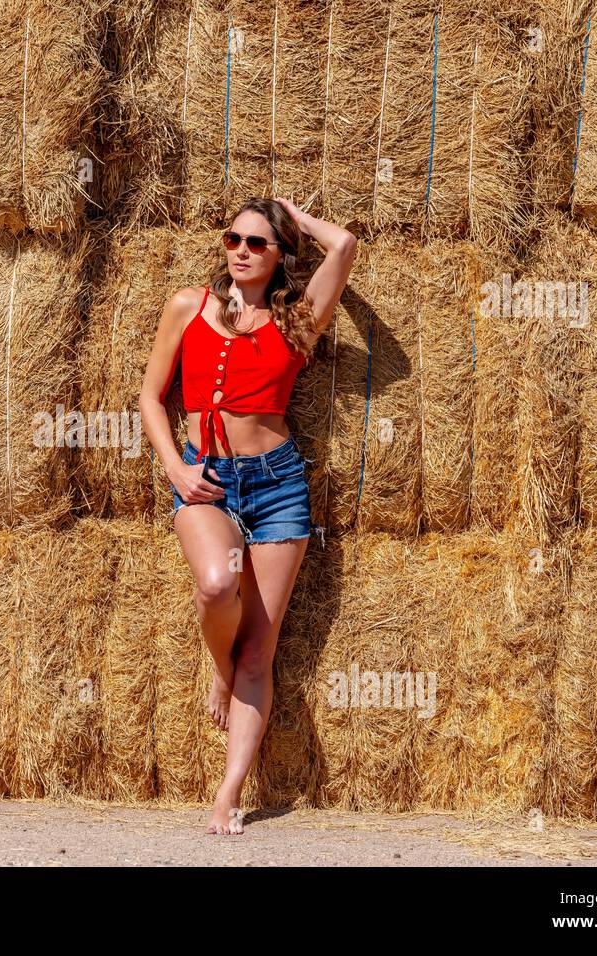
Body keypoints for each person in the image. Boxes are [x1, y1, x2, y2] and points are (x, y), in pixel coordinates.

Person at [139, 196, 357, 834]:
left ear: (280, 256)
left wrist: (295, 215)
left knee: (261, 651)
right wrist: (175, 467)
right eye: (233, 238)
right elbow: (152, 397)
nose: (239, 250)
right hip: (207, 479)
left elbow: (343, 246)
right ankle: (218, 666)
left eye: (257, 243)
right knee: (215, 585)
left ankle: (229, 793)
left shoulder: (297, 319)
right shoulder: (188, 307)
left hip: (279, 487)